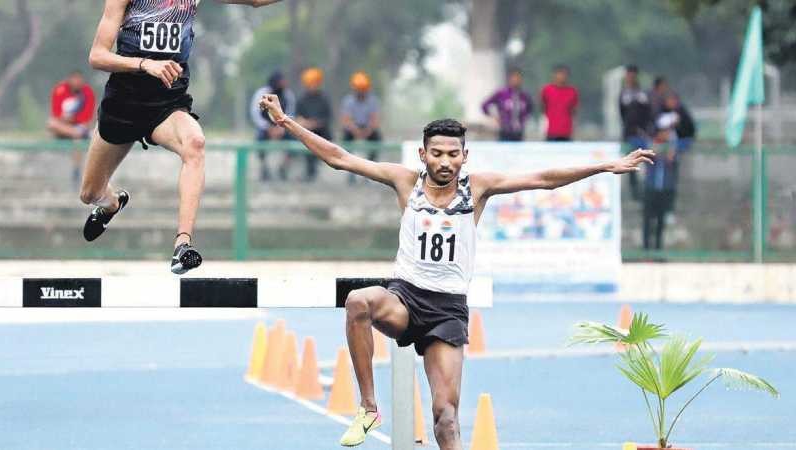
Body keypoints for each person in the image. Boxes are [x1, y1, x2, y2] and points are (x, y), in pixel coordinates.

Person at [259, 94, 653, 449]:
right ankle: (369, 407)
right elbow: (339, 158)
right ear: (422, 154)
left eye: (453, 154)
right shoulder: (405, 182)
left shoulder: (477, 188)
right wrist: (286, 121)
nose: (445, 162)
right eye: (437, 154)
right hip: (404, 298)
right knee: (358, 302)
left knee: (445, 420)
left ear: (465, 156)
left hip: (447, 312)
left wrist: (605, 166)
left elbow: (544, 180)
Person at [80, 0, 282, 274]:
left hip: (167, 103)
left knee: (195, 143)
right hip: (123, 103)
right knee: (90, 193)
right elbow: (97, 56)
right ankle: (112, 204)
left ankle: (182, 246)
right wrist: (145, 64)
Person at [48, 71, 96, 185]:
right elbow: (56, 113)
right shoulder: (60, 90)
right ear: (69, 80)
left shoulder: (87, 92)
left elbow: (87, 116)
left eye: (79, 80)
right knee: (51, 124)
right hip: (65, 127)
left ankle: (76, 171)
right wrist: (65, 121)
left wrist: (73, 119)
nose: (77, 82)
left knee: (77, 140)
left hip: (80, 126)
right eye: (74, 79)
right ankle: (74, 133)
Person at [250, 71, 297, 181]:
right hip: (265, 127)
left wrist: (281, 127)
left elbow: (290, 113)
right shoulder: (261, 93)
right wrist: (268, 127)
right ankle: (264, 167)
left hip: (282, 126)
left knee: (294, 139)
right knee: (259, 139)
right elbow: (255, 114)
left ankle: (284, 167)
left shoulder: (288, 94)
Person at [341, 71, 382, 184]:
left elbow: (374, 120)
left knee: (377, 138)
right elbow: (346, 120)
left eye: (362, 89)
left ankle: (371, 171)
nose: (360, 91)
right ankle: (350, 170)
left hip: (368, 128)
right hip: (353, 128)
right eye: (358, 89)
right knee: (346, 138)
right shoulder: (348, 101)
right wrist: (356, 131)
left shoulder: (373, 100)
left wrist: (367, 131)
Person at [619, 64, 652, 200]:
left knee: (646, 162)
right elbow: (622, 113)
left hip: (642, 133)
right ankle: (634, 194)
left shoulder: (642, 94)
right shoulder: (623, 94)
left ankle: (647, 192)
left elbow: (648, 112)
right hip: (629, 134)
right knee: (631, 163)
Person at [295, 67, 333, 182]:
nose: (312, 86)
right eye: (310, 83)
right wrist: (304, 123)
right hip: (306, 132)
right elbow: (297, 117)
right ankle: (309, 171)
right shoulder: (302, 99)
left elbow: (327, 118)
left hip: (322, 133)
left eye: (314, 83)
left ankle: (314, 169)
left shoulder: (324, 99)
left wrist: (315, 123)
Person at [481, 68, 533, 141]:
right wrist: (494, 117)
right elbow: (484, 105)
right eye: (514, 78)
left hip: (519, 133)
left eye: (518, 78)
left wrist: (524, 119)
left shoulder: (524, 96)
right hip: (505, 132)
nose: (516, 80)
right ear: (509, 79)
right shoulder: (502, 93)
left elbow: (530, 109)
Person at [539, 65, 579, 141]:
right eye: (559, 74)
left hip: (566, 132)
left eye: (564, 74)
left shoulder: (572, 92)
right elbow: (542, 108)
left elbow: (574, 111)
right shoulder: (547, 90)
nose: (562, 77)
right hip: (551, 131)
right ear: (554, 75)